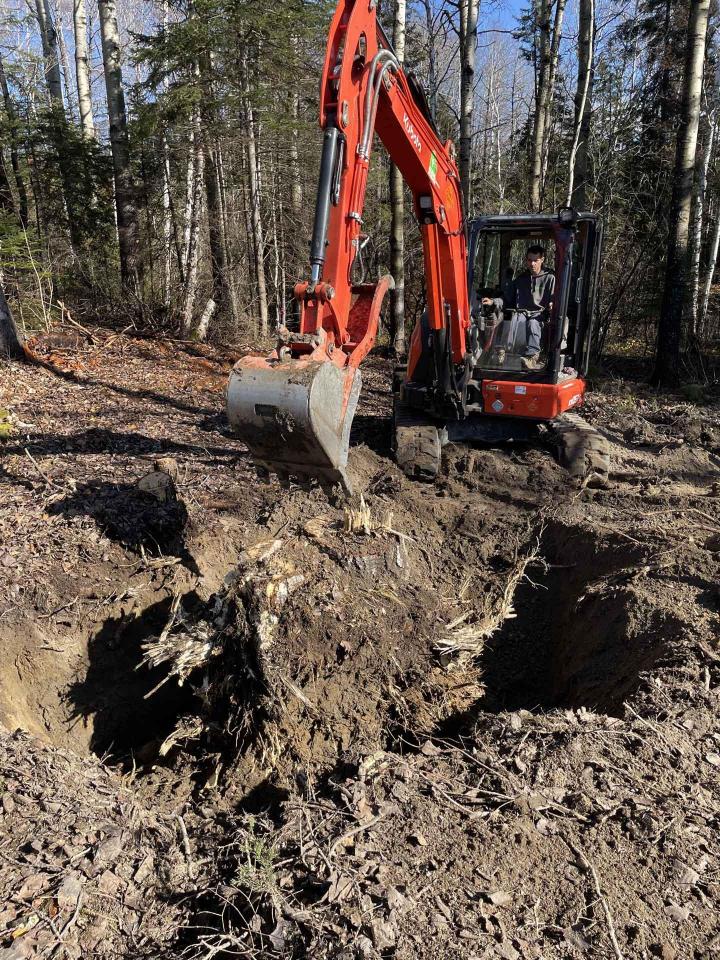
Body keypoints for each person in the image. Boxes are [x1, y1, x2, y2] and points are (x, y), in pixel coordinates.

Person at [482, 245, 555, 371]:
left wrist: (552, 304)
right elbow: (507, 299)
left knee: (533, 323)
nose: (532, 263)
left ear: (542, 260)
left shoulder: (550, 278)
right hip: (520, 312)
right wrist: (493, 301)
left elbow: (555, 299)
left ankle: (531, 357)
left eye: (535, 260)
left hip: (539, 314)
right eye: (529, 260)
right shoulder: (521, 279)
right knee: (508, 316)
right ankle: (501, 352)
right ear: (526, 260)